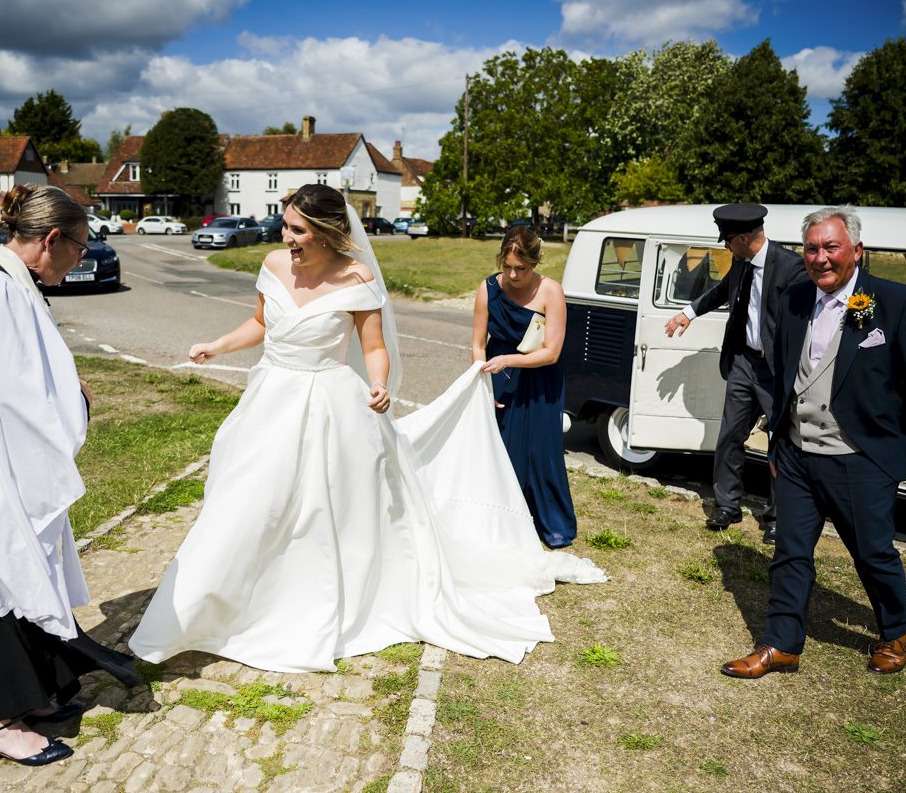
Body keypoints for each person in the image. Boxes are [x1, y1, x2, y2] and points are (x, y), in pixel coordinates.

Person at [129, 185, 604, 673]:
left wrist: (379, 385)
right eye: (286, 226)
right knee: (248, 499)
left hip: (332, 405)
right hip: (270, 400)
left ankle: (308, 601)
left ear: (329, 232)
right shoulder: (272, 264)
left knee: (323, 507)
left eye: (298, 229)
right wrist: (218, 344)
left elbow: (374, 348)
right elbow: (260, 324)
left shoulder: (357, 278)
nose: (287, 237)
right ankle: (210, 603)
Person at [0, 185, 140, 766]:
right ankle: (0, 723)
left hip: (6, 460)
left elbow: (22, 379)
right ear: (51, 240)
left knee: (28, 571)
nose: (82, 258)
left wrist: (66, 390)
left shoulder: (9, 288)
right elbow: (16, 405)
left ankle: (36, 697)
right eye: (79, 246)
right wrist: (71, 410)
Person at [721, 205, 906, 679]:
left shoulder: (896, 303)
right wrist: (777, 442)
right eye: (812, 248)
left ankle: (895, 630)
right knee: (789, 551)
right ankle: (781, 644)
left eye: (831, 247)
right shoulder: (794, 298)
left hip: (860, 458)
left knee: (872, 552)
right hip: (797, 455)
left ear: (856, 252)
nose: (820, 258)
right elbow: (785, 374)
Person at [664, 204, 806, 542]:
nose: (725, 246)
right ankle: (728, 504)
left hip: (776, 370)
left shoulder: (791, 268)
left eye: (728, 240)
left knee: (780, 442)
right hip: (743, 362)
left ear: (744, 238)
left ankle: (776, 518)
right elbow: (721, 292)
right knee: (729, 435)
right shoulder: (741, 263)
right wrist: (688, 312)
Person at [472, 226, 576, 548]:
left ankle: (550, 522)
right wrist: (484, 385)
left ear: (535, 262)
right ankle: (503, 520)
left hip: (540, 380)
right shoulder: (487, 289)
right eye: (508, 267)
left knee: (540, 453)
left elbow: (552, 352)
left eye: (522, 268)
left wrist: (508, 360)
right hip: (499, 379)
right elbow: (477, 345)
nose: (514, 275)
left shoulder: (551, 291)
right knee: (503, 451)